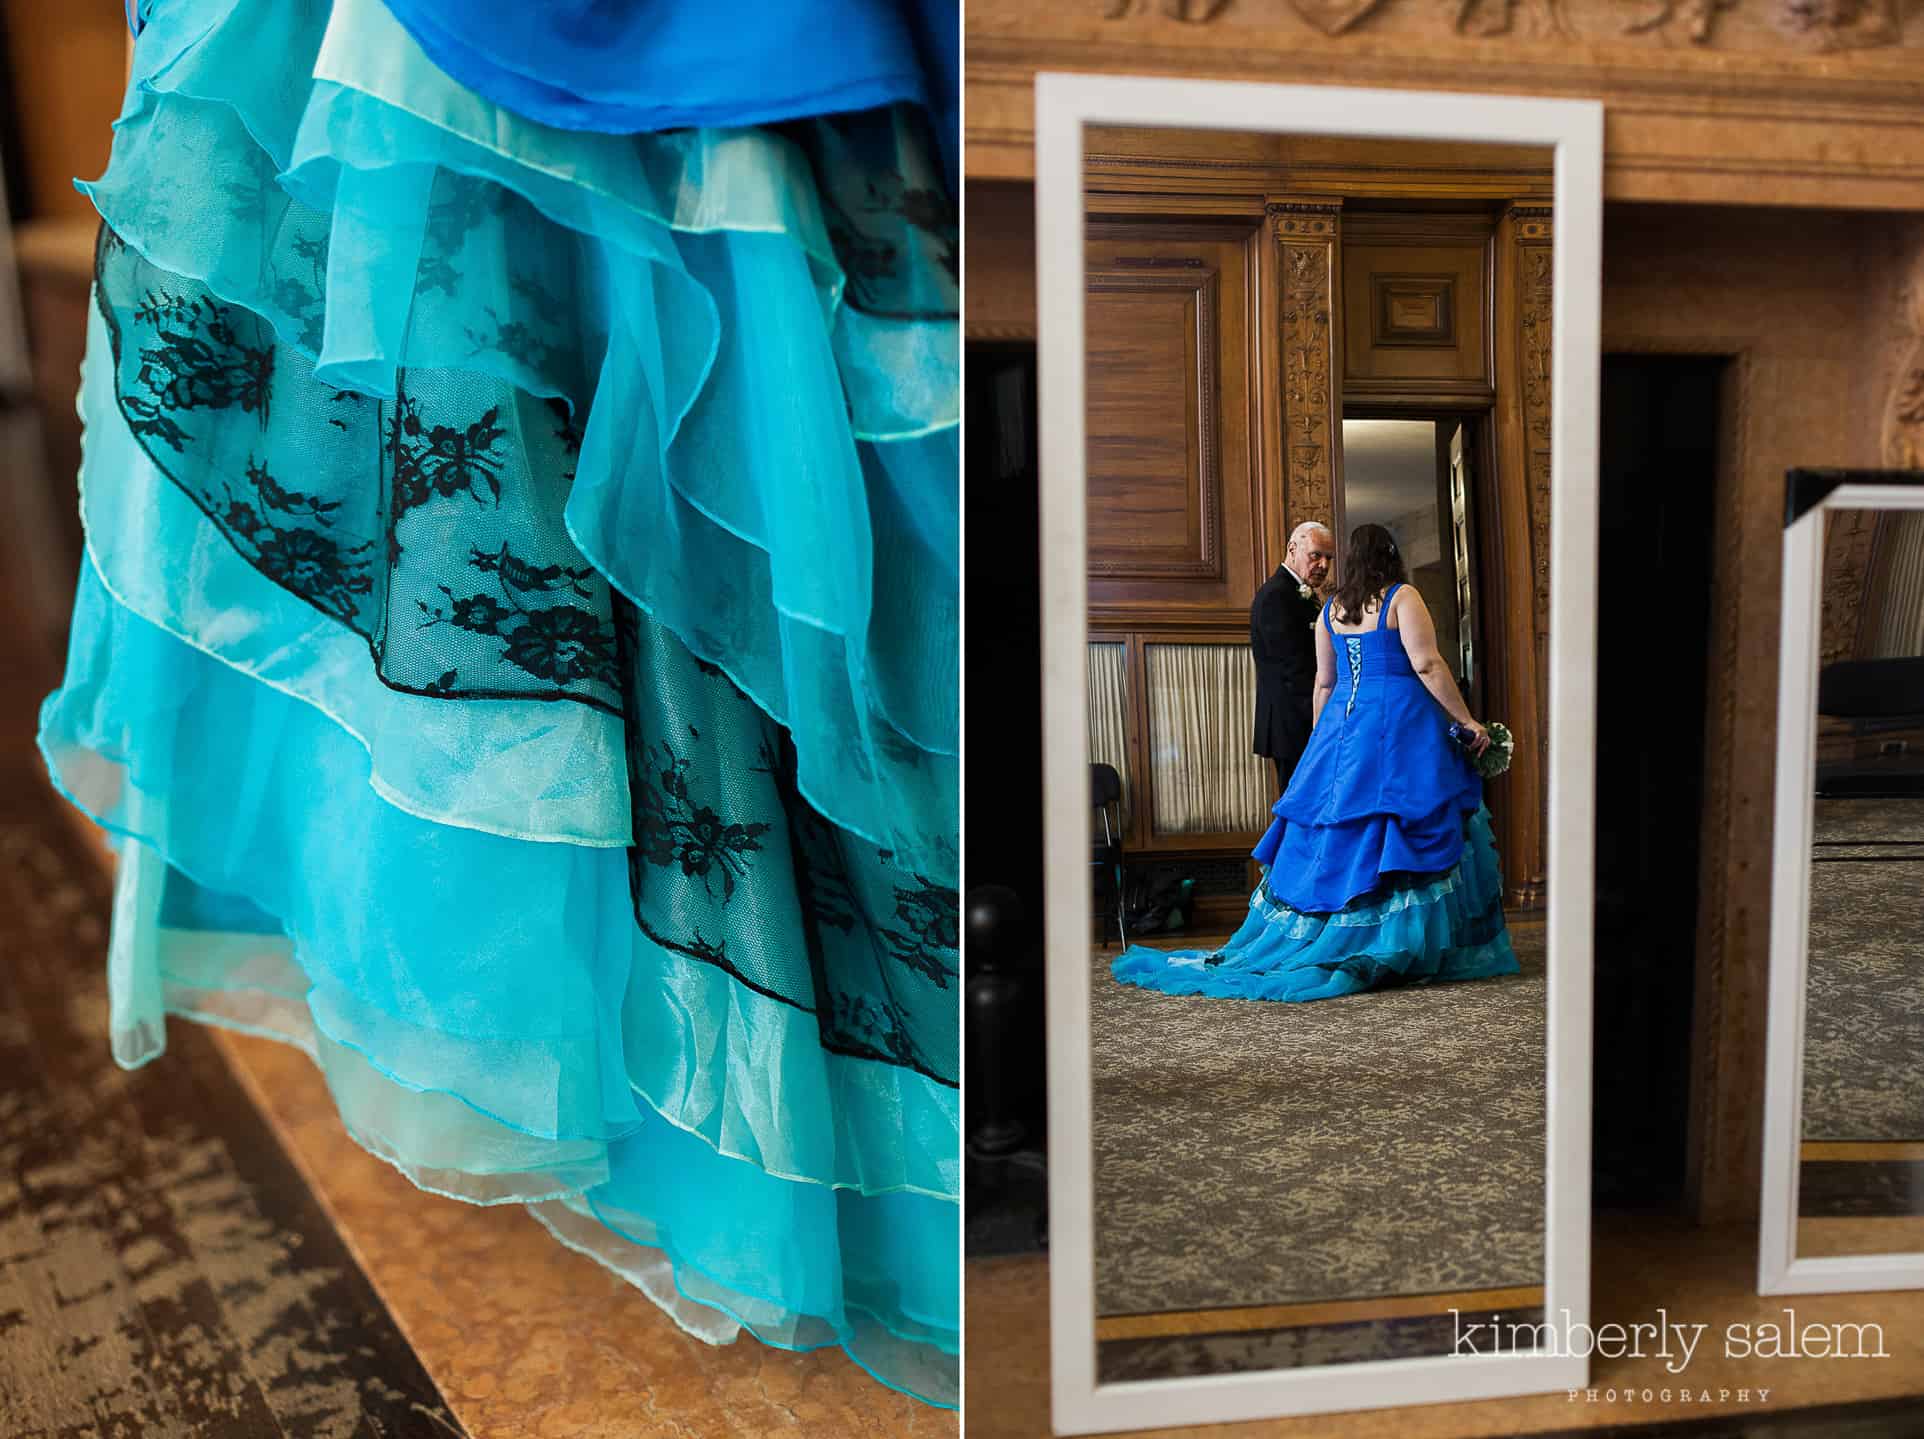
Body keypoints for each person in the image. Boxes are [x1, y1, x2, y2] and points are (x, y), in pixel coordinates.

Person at [1115, 523, 1518, 1002]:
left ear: (1348, 559)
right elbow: (1427, 665)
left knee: (1342, 826)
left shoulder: (1331, 609)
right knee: (1399, 823)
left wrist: (1320, 746)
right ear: (1391, 557)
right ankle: (1398, 943)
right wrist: (1467, 719)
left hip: (1342, 726)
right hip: (1401, 723)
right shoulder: (1402, 597)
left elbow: (1324, 683)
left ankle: (1339, 930)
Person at [1251, 521, 1335, 798]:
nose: (1323, 564)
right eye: (1316, 555)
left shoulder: (1300, 594)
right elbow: (1292, 670)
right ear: (1292, 549)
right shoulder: (1276, 595)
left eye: (1328, 558)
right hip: (1293, 723)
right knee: (1299, 804)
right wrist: (1321, 719)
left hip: (1302, 720)